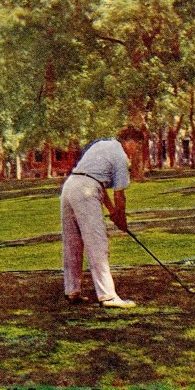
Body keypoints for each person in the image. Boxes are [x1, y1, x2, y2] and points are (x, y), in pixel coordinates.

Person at [61, 126, 144, 308]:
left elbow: (97, 182)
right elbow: (119, 194)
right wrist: (121, 218)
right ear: (129, 141)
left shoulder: (102, 145)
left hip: (69, 187)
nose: (136, 150)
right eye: (137, 146)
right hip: (87, 190)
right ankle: (108, 296)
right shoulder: (121, 156)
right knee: (98, 243)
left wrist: (113, 212)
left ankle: (72, 291)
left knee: (73, 242)